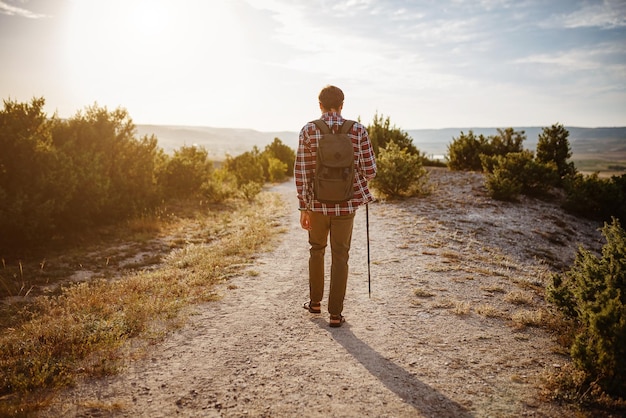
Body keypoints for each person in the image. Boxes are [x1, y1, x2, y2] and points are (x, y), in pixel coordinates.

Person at [294, 85, 377, 328]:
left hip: (317, 204)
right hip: (346, 203)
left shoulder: (309, 130)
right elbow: (370, 171)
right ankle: (335, 314)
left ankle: (315, 303)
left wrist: (303, 207)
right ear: (342, 105)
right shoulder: (358, 130)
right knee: (341, 256)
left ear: (319, 105)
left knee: (316, 250)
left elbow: (302, 172)